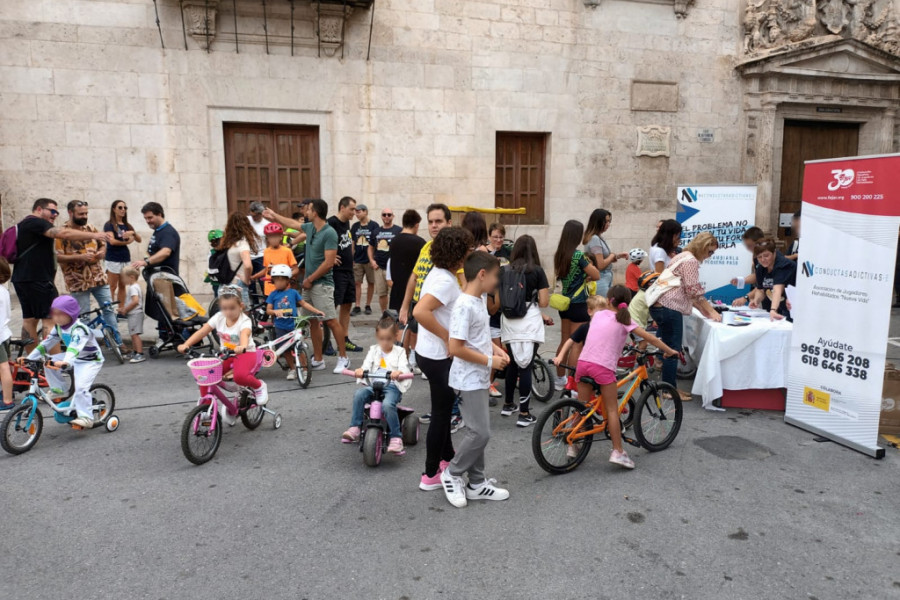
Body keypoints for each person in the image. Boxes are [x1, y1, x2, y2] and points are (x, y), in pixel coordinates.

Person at [560, 286, 677, 469]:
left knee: (582, 408)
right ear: (627, 303)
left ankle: (573, 445)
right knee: (612, 410)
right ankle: (618, 451)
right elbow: (651, 339)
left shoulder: (599, 315)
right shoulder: (625, 320)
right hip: (602, 368)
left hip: (582, 365)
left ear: (608, 300)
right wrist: (670, 351)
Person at [440, 251, 511, 508]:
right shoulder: (463, 306)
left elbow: (478, 338)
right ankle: (452, 473)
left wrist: (496, 349)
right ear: (482, 275)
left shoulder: (479, 300)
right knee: (480, 433)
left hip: (478, 377)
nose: (496, 282)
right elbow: (456, 347)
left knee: (478, 430)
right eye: (495, 276)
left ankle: (477, 483)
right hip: (468, 378)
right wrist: (491, 361)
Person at [414, 226, 472, 492]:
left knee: (444, 409)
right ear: (457, 253)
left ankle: (447, 458)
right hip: (437, 356)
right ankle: (430, 474)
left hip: (430, 353)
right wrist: (448, 338)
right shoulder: (446, 281)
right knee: (440, 414)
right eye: (467, 250)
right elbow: (421, 311)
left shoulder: (441, 274)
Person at [263, 200, 351, 374]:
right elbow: (293, 224)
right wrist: (274, 216)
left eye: (309, 209)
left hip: (322, 284)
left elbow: (329, 262)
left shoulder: (329, 233)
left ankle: (343, 358)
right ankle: (318, 359)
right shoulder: (311, 228)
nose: (306, 212)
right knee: (312, 322)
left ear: (315, 212)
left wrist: (310, 278)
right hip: (310, 284)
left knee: (331, 320)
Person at [13, 198, 109, 352]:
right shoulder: (37, 223)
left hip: (22, 278)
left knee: (29, 320)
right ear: (39, 209)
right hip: (39, 279)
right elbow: (63, 233)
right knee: (50, 320)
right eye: (52, 211)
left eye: (57, 212)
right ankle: (54, 364)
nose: (55, 215)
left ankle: (32, 362)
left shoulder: (24, 224)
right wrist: (95, 236)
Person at [650, 232, 723, 399]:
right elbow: (693, 290)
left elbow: (688, 291)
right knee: (672, 350)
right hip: (669, 307)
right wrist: (711, 311)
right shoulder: (690, 261)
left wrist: (704, 308)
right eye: (710, 252)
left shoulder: (682, 256)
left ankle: (670, 387)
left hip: (662, 306)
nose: (710, 256)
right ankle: (668, 390)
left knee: (670, 347)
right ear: (702, 247)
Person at [177, 286, 268, 421]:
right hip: (226, 354)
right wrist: (186, 344)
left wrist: (242, 345)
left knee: (240, 377)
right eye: (224, 308)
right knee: (205, 374)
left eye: (232, 308)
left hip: (245, 353)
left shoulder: (244, 320)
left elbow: (245, 333)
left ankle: (259, 386)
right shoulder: (219, 317)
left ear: (241, 306)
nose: (228, 312)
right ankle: (205, 403)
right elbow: (203, 331)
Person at [24, 295, 105, 429]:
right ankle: (59, 389)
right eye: (53, 314)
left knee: (81, 388)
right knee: (48, 361)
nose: (56, 318)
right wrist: (30, 358)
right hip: (73, 358)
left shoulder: (79, 329)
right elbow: (46, 343)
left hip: (89, 360)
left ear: (71, 314)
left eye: (60, 314)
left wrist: (65, 362)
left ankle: (87, 417)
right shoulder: (59, 327)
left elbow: (74, 347)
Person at [55, 200, 122, 352]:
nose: (84, 216)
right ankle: (85, 347)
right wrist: (80, 257)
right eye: (81, 214)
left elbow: (102, 244)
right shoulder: (62, 233)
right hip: (78, 281)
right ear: (71, 213)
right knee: (83, 316)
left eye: (86, 213)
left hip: (98, 277)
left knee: (109, 309)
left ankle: (118, 343)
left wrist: (101, 253)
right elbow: (58, 258)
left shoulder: (91, 228)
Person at [341, 316, 414, 454]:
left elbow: (404, 367)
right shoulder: (374, 350)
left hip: (392, 385)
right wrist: (361, 370)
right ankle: (355, 427)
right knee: (359, 395)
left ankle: (396, 438)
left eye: (389, 339)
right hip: (374, 384)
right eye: (381, 339)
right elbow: (367, 363)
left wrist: (399, 372)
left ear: (395, 336)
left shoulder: (400, 352)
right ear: (377, 337)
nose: (385, 342)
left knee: (387, 405)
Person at [499, 235, 550, 427]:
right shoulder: (537, 271)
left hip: (509, 320)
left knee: (512, 363)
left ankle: (508, 404)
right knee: (526, 366)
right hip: (529, 321)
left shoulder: (504, 270)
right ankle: (524, 413)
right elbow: (544, 302)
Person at [553, 220, 600, 388]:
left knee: (564, 340)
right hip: (579, 304)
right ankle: (571, 382)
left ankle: (559, 379)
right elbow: (596, 275)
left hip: (564, 304)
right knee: (576, 344)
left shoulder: (559, 254)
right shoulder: (579, 256)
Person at [266, 264, 324, 379]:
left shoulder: (293, 293)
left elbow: (304, 304)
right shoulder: (273, 294)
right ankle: (292, 369)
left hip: (293, 324)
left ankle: (305, 369)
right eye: (275, 280)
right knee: (285, 349)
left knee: (299, 347)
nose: (278, 283)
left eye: (281, 280)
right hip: (280, 326)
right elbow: (268, 310)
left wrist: (317, 311)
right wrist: (275, 312)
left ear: (287, 280)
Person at [553, 294, 609, 393]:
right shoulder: (585, 327)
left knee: (591, 392)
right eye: (599, 313)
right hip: (587, 364)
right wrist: (560, 356)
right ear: (589, 312)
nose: (601, 316)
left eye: (604, 313)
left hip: (596, 363)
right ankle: (574, 393)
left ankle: (575, 396)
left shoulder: (605, 328)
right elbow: (570, 341)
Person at [327, 196, 362, 353]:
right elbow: (319, 240)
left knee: (347, 305)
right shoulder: (331, 223)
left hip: (348, 270)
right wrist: (330, 257)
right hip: (337, 272)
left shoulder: (347, 223)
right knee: (331, 307)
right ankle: (325, 342)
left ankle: (344, 338)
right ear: (342, 207)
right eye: (352, 209)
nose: (354, 212)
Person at [748, 238, 796, 321]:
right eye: (759, 257)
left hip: (793, 304)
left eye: (766, 256)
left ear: (774, 252)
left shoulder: (782, 265)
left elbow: (778, 289)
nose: (763, 260)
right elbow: (761, 289)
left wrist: (773, 309)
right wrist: (756, 300)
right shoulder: (761, 266)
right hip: (781, 303)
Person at [104, 200, 141, 308]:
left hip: (125, 258)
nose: (123, 210)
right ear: (114, 209)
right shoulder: (109, 225)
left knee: (122, 285)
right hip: (113, 258)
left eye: (125, 208)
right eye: (120, 207)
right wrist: (127, 242)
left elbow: (139, 240)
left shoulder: (127, 225)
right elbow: (112, 241)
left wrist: (133, 233)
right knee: (112, 286)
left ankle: (121, 309)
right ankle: (109, 310)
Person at [583, 209, 627, 297]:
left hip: (605, 278)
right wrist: (612, 255)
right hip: (600, 279)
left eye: (609, 221)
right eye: (606, 221)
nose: (608, 224)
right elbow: (600, 265)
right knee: (603, 307)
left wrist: (617, 256)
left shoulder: (598, 237)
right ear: (598, 222)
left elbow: (603, 258)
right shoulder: (594, 239)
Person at [218, 212, 259, 307]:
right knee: (243, 316)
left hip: (224, 284)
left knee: (227, 316)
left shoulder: (225, 244)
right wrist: (246, 279)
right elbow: (248, 265)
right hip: (238, 284)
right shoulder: (242, 244)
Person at [389, 210, 425, 311]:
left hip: (396, 290)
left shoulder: (394, 241)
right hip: (414, 291)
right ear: (416, 225)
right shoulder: (421, 243)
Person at [368, 207, 401, 313]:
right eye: (384, 215)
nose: (386, 216)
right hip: (379, 267)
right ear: (381, 216)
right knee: (382, 293)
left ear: (393, 216)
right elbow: (370, 247)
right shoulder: (376, 231)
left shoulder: (399, 230)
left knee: (395, 292)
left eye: (389, 214)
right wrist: (372, 261)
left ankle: (396, 313)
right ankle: (384, 313)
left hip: (393, 268)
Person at [252, 222, 297, 297]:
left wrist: (284, 277)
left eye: (276, 236)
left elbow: (296, 269)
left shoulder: (287, 251)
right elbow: (267, 269)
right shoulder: (266, 251)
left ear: (281, 237)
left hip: (283, 288)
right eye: (271, 237)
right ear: (267, 238)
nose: (273, 239)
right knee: (269, 308)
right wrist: (254, 276)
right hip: (269, 289)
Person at [350, 203, 376, 316]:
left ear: (365, 211)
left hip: (369, 260)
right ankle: (357, 305)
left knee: (371, 282)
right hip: (358, 259)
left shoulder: (374, 225)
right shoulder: (355, 226)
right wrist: (351, 258)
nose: (356, 214)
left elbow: (376, 243)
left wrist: (374, 259)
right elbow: (352, 243)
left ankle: (368, 304)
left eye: (359, 211)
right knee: (357, 283)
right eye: (355, 211)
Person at [117, 266, 145, 364]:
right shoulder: (135, 286)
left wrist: (125, 309)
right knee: (133, 334)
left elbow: (135, 301)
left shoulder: (133, 288)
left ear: (131, 277)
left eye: (123, 278)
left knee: (135, 334)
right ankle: (135, 351)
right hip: (134, 313)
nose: (122, 280)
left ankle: (140, 354)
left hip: (135, 314)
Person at [731, 226, 766, 304]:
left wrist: (745, 298)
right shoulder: (756, 257)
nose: (747, 249)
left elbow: (763, 286)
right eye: (746, 245)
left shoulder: (767, 260)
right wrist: (742, 281)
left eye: (750, 245)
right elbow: (758, 276)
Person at [247, 202, 270, 296]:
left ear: (261, 214)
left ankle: (265, 303)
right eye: (252, 215)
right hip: (247, 255)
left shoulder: (266, 224)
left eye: (255, 216)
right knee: (249, 283)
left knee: (263, 281)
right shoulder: (246, 220)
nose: (253, 218)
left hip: (261, 255)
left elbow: (269, 242)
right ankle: (253, 304)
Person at [0, 258, 14, 410]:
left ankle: (7, 400)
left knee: (3, 367)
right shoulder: (3, 290)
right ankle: (7, 392)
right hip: (5, 332)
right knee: (7, 364)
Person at [204, 229, 224, 296]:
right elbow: (211, 268)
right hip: (216, 280)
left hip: (223, 279)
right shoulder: (212, 253)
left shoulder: (225, 251)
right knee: (218, 297)